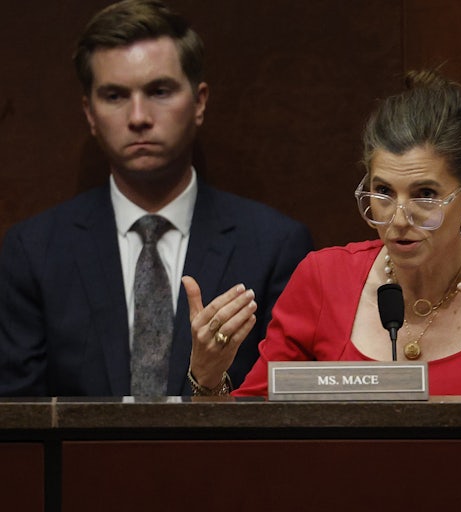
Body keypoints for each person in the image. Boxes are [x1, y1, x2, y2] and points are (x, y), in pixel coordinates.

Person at [184, 69, 461, 397]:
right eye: (382, 192)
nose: (398, 219)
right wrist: (208, 379)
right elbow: (252, 442)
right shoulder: (322, 279)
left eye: (426, 195)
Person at [0, 0, 312, 396]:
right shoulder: (34, 250)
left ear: (199, 102)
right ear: (89, 113)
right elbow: (16, 422)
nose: (138, 116)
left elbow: (287, 406)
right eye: (114, 95)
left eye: (159, 91)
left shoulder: (275, 246)